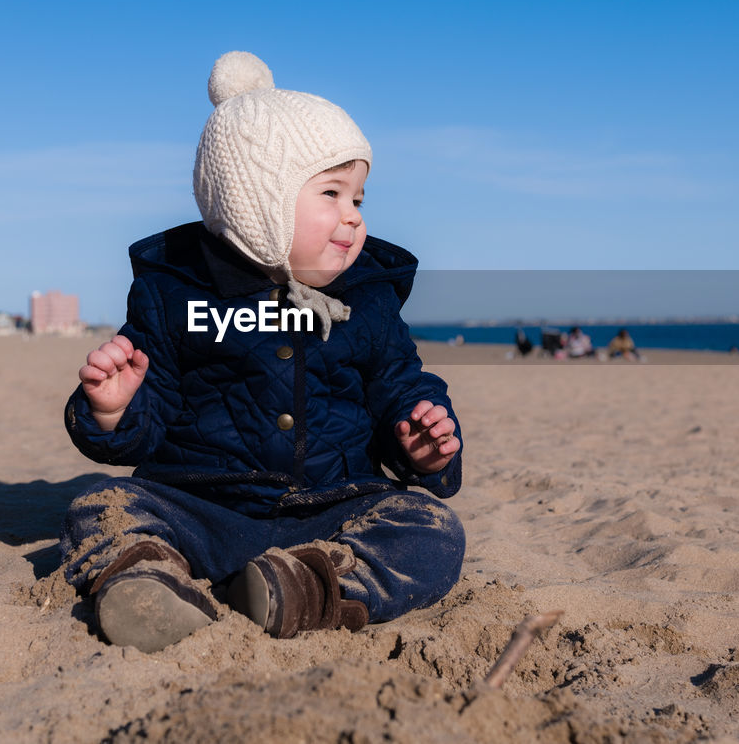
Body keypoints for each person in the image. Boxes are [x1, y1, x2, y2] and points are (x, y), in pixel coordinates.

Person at [58, 52, 465, 653]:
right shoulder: (175, 295)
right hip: (199, 507)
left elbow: (398, 384)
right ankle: (148, 582)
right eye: (332, 193)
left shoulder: (368, 301)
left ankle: (300, 586)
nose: (353, 219)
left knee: (432, 530)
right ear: (258, 199)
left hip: (333, 509)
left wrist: (421, 442)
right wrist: (114, 410)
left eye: (359, 199)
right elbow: (150, 415)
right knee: (100, 507)